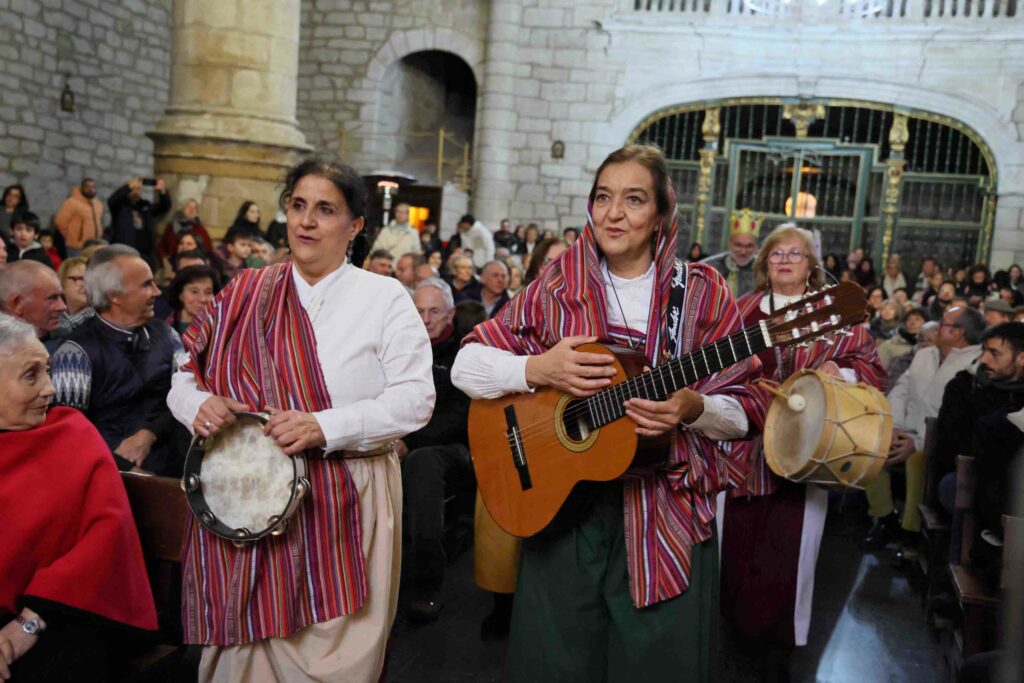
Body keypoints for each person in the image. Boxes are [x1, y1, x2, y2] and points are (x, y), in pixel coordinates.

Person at [452, 145, 763, 681]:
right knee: (556, 663)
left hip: (665, 512)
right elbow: (465, 364)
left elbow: (746, 410)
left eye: (634, 199)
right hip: (564, 510)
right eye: (603, 197)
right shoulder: (553, 288)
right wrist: (538, 370)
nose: (613, 214)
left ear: (662, 213)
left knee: (657, 664)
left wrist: (694, 407)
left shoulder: (704, 292)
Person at [166, 156, 434, 682]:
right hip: (248, 502)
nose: (306, 221)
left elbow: (416, 400)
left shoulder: (383, 299)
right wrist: (197, 405)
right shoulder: (245, 292)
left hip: (347, 494)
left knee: (336, 654)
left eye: (325, 209)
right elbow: (183, 372)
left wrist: (326, 426)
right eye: (298, 206)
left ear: (355, 226)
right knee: (244, 654)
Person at [717, 225, 885, 677]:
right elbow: (712, 371)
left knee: (789, 557)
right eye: (776, 255)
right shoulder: (741, 311)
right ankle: (734, 643)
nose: (785, 260)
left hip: (806, 451)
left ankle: (779, 655)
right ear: (764, 264)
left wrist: (839, 369)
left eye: (796, 254)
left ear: (811, 267)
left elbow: (872, 368)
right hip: (742, 445)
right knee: (735, 548)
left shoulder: (833, 314)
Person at [0, 313, 158, 682]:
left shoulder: (71, 432)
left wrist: (26, 626)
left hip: (67, 611)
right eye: (31, 375)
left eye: (47, 370)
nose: (50, 389)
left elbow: (106, 536)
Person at [50, 245, 188, 477]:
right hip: (110, 476)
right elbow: (68, 434)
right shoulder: (74, 353)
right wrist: (126, 470)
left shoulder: (167, 334)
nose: (157, 292)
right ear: (114, 296)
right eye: (146, 285)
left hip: (174, 467)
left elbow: (186, 395)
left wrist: (149, 433)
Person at [864, 305, 985, 549]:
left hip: (937, 443)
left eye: (944, 323)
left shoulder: (975, 364)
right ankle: (886, 519)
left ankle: (911, 532)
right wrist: (894, 427)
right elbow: (900, 390)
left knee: (918, 460)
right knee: (870, 447)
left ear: (958, 333)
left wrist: (917, 443)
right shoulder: (924, 355)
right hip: (903, 430)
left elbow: (956, 422)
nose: (937, 326)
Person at [402, 278, 475, 622]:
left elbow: (460, 417)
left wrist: (409, 440)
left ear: (450, 314)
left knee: (423, 463)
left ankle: (424, 584)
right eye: (418, 311)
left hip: (453, 446)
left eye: (434, 311)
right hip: (399, 438)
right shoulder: (399, 348)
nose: (426, 318)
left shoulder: (467, 351)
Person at [0, 260, 67, 346]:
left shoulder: (68, 342)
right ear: (17, 304)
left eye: (61, 297)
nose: (62, 306)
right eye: (52, 298)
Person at [107, 177, 171, 266]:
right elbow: (112, 200)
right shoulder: (119, 206)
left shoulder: (145, 206)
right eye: (133, 189)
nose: (136, 192)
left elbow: (164, 207)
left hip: (144, 254)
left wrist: (163, 192)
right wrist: (128, 186)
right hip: (123, 253)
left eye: (138, 189)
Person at [702, 209, 759, 297]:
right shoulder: (708, 268)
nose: (743, 251)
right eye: (738, 245)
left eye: (749, 246)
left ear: (756, 247)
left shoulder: (765, 270)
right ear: (730, 243)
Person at [54, 178, 105, 255]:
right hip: (76, 246)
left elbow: (99, 222)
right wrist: (71, 236)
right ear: (82, 188)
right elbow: (60, 222)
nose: (90, 189)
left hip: (94, 245)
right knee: (76, 266)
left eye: (93, 187)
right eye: (87, 187)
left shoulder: (98, 204)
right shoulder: (72, 202)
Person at [166, 265, 220, 335]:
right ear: (180, 295)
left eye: (208, 292)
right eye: (194, 291)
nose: (202, 299)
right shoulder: (163, 331)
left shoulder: (223, 329)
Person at [157, 198, 213, 265]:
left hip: (194, 262)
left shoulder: (200, 229)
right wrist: (164, 259)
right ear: (182, 209)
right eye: (188, 207)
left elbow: (208, 249)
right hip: (172, 262)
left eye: (194, 208)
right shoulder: (171, 227)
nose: (192, 210)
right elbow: (163, 245)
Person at [876, 306, 927, 372]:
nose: (912, 322)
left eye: (917, 319)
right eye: (909, 319)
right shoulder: (889, 345)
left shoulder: (932, 346)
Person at [56, 256, 94, 335]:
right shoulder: (52, 319)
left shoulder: (102, 320)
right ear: (61, 284)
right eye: (79, 279)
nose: (85, 284)